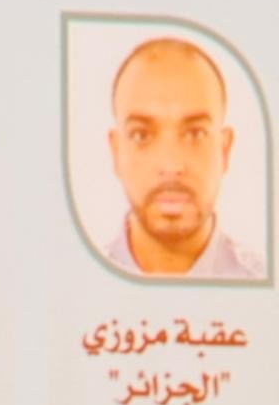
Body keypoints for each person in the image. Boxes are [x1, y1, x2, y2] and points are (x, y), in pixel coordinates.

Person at [105, 37, 263, 278]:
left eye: (195, 134)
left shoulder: (264, 287)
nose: (171, 166)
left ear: (225, 150)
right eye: (141, 135)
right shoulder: (76, 286)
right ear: (116, 152)